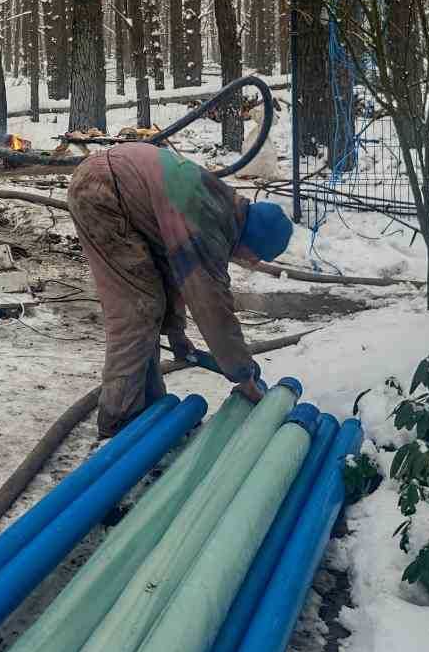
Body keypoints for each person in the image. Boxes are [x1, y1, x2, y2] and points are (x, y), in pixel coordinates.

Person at [66, 141, 295, 438]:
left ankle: (148, 407)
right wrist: (242, 375)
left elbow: (174, 272)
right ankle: (119, 422)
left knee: (149, 302)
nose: (250, 262)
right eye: (255, 256)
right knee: (137, 310)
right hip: (102, 194)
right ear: (254, 239)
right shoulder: (208, 225)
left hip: (112, 185)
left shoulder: (221, 209)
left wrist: (176, 333)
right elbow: (212, 306)